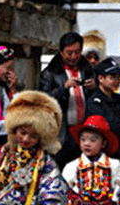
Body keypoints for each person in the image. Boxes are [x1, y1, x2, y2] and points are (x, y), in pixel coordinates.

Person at [39, 32, 95, 169]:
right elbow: (43, 100)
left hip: (84, 130)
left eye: (77, 52)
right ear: (61, 53)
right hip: (63, 132)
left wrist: (95, 88)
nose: (74, 57)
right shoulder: (50, 73)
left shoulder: (87, 70)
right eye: (69, 53)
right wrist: (63, 89)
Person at [85, 57, 120, 166]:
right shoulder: (94, 102)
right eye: (112, 77)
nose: (116, 81)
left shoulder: (119, 99)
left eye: (118, 77)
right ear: (100, 78)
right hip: (105, 156)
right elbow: (108, 126)